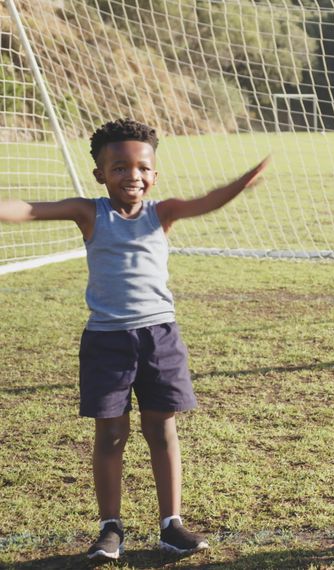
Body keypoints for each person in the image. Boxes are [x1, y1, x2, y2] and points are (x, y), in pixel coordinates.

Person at [0, 118, 268, 560]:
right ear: (100, 174)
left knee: (162, 430)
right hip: (107, 341)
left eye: (142, 167)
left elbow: (207, 201)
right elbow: (29, 209)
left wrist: (241, 183)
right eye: (119, 167)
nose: (133, 176)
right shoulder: (89, 213)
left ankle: (171, 525)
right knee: (110, 435)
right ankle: (110, 528)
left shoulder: (163, 214)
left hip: (160, 337)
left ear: (155, 174)